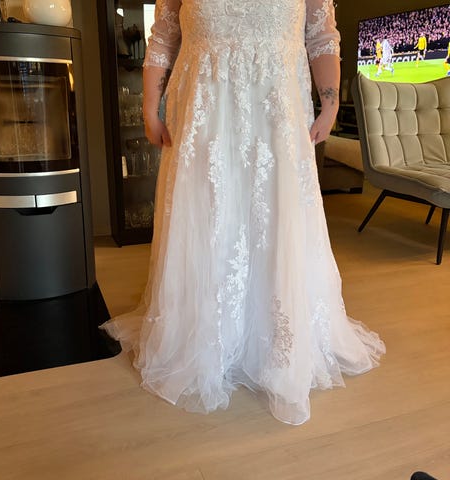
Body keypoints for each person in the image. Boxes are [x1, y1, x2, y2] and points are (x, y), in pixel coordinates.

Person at [101, 0, 385, 425]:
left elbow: (322, 36)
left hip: (276, 113)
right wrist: (148, 108)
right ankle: (208, 336)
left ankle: (278, 340)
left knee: (275, 217)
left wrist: (330, 106)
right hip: (204, 113)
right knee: (211, 214)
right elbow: (163, 38)